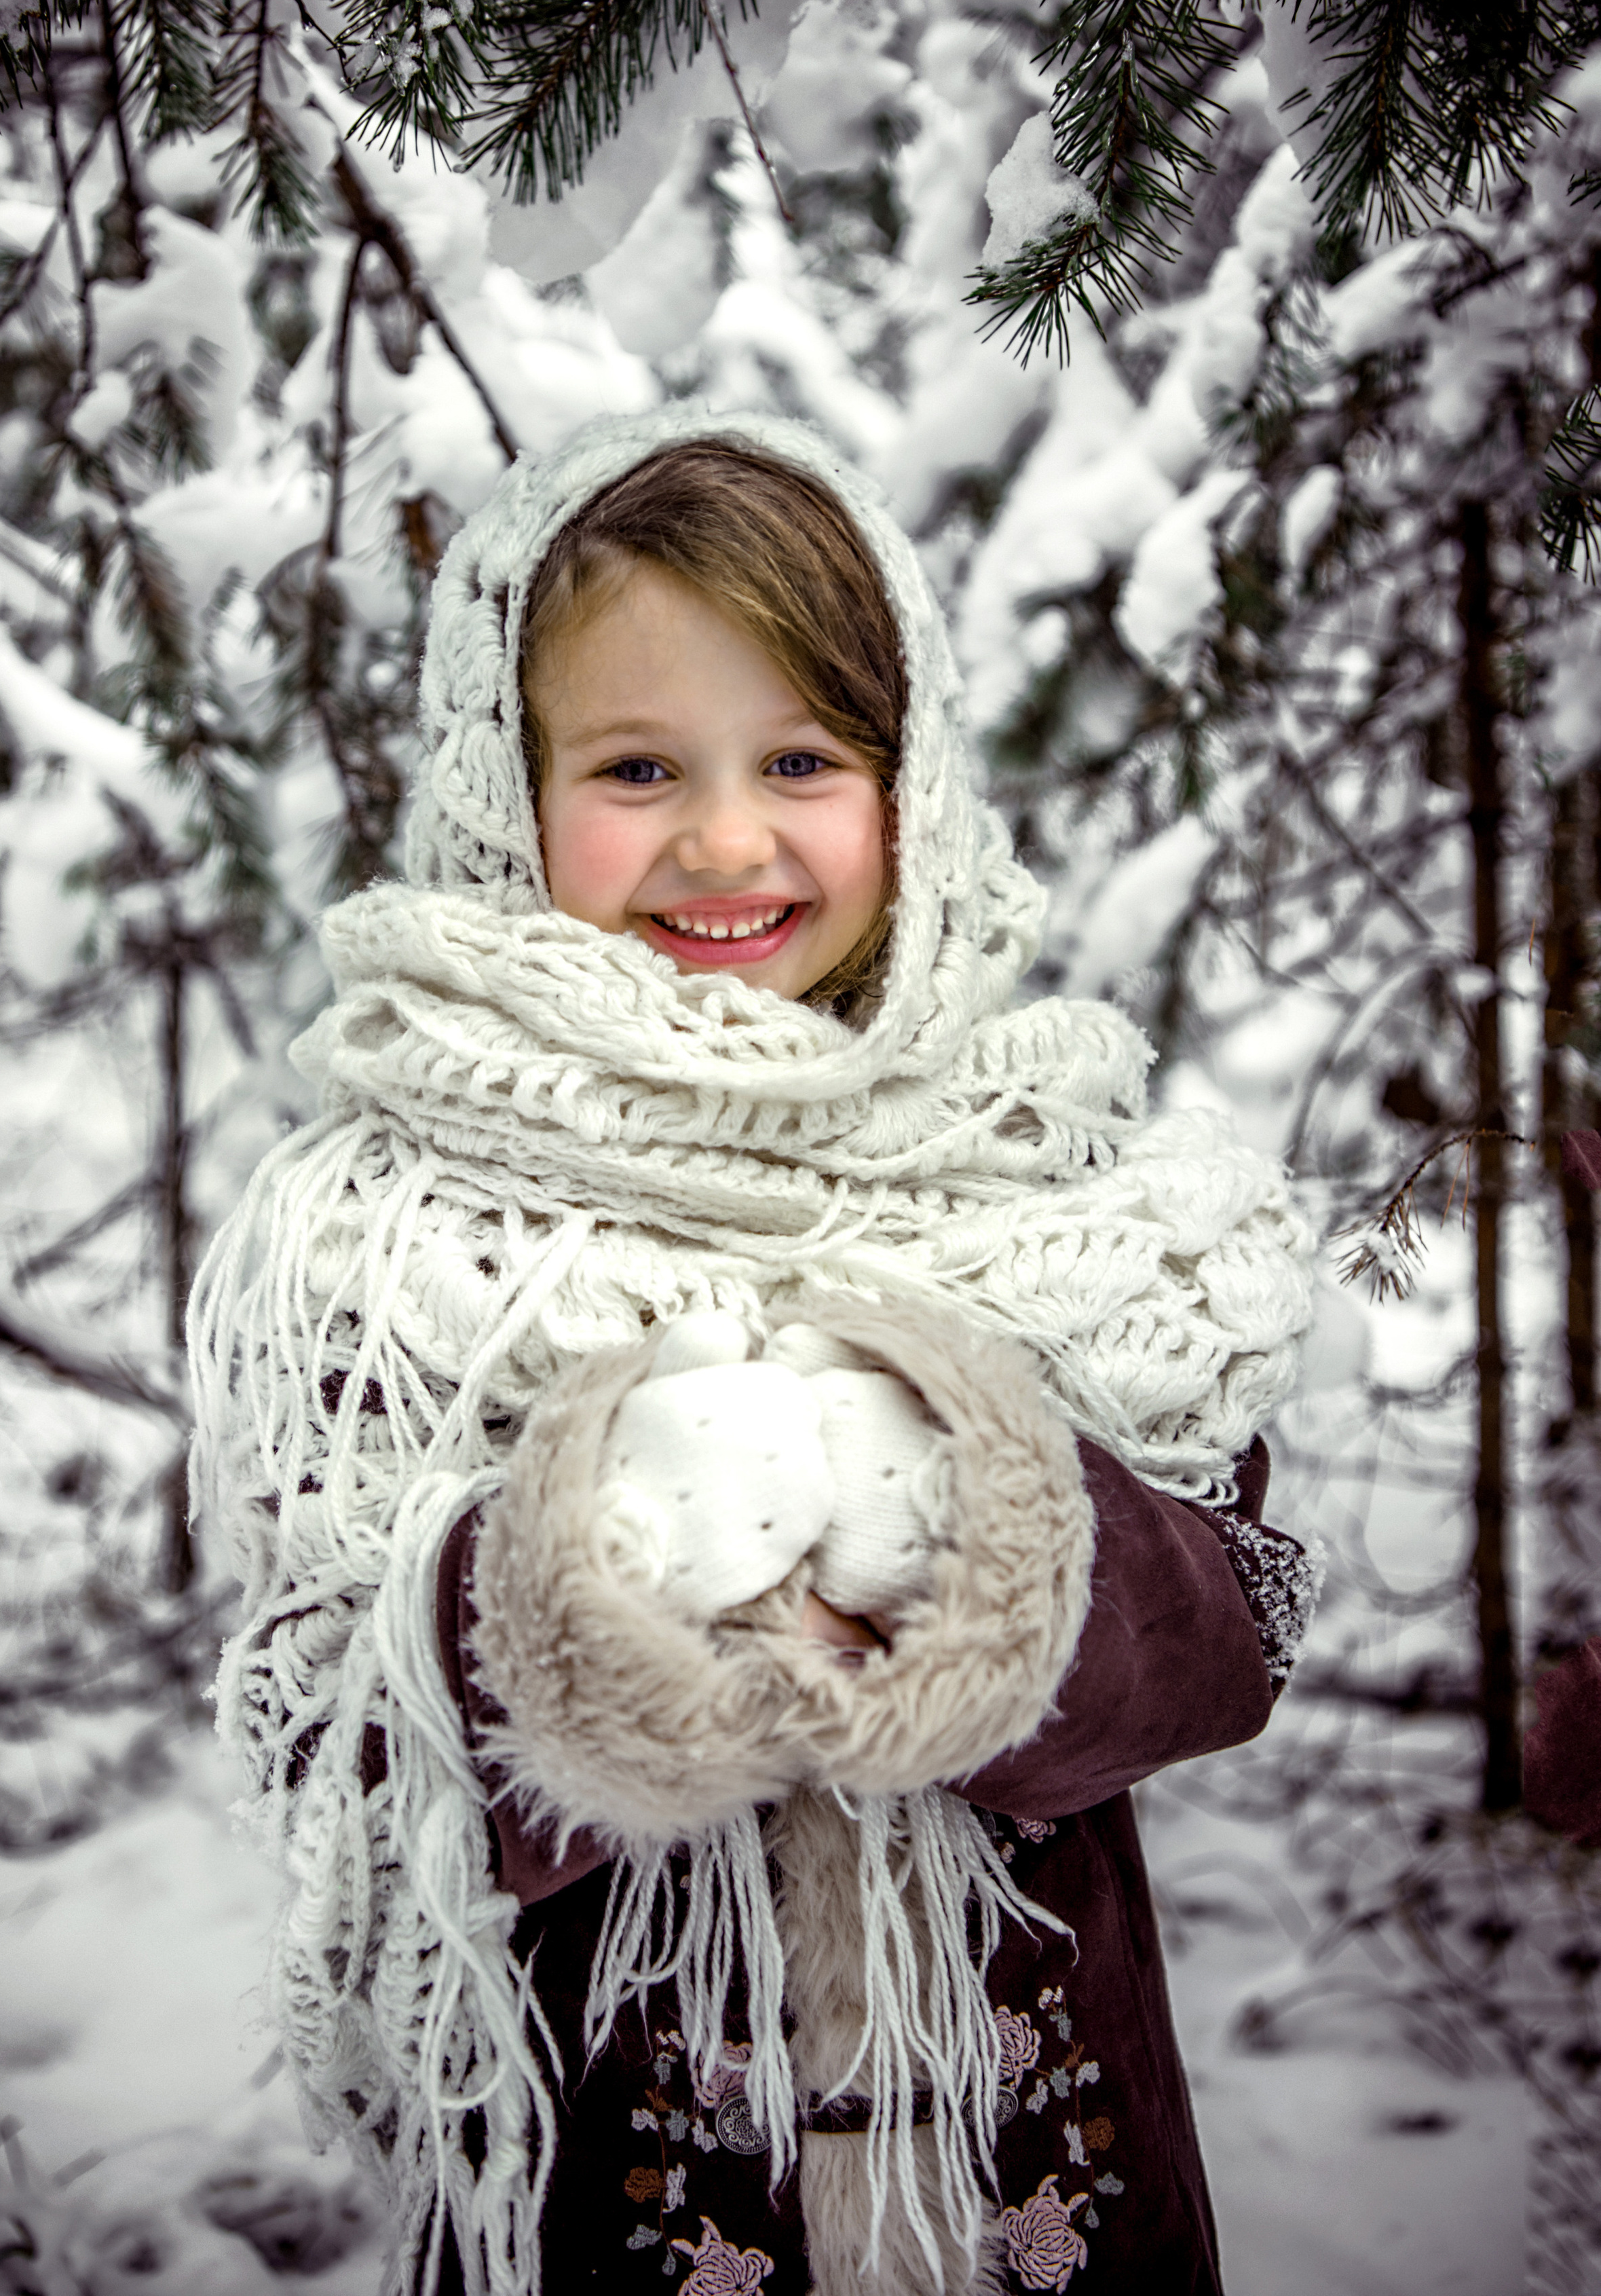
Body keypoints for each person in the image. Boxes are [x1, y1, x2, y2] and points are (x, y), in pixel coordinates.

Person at [191, 411, 1319, 2296]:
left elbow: (1232, 1634)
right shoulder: (388, 1237)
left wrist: (991, 1546)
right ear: (508, 791)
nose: (726, 837)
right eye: (637, 767)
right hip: (611, 2208)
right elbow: (346, 1743)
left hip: (1049, 2197)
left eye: (801, 757)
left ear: (911, 788)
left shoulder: (1050, 1180)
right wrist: (582, 1583)